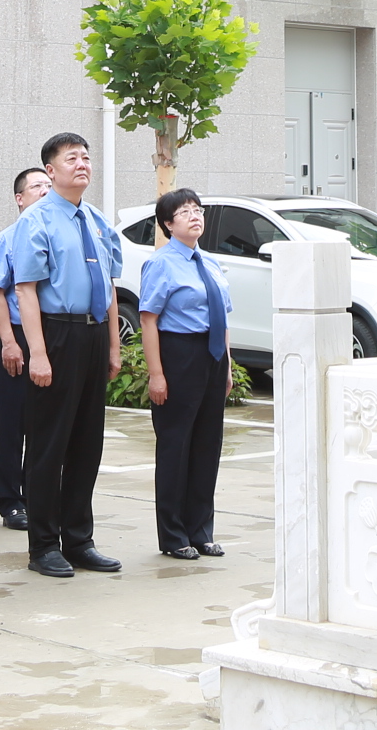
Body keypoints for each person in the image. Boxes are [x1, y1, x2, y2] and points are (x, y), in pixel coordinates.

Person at [3, 131, 123, 579]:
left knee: (87, 443)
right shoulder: (37, 220)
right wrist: (37, 351)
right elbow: (25, 289)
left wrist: (112, 346)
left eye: (87, 157)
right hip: (56, 334)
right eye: (72, 158)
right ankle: (43, 545)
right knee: (49, 445)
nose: (83, 164)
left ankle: (79, 539)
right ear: (50, 171)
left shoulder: (94, 219)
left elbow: (109, 286)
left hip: (92, 337)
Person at [137, 188, 231, 559]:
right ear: (167, 223)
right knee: (176, 446)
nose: (195, 216)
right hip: (179, 354)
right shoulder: (161, 263)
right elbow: (148, 320)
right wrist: (157, 374)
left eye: (198, 210)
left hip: (211, 356)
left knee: (208, 445)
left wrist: (226, 366)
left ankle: (201, 530)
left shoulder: (210, 262)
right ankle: (174, 536)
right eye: (185, 212)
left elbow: (223, 317)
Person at [0, 164, 52, 530]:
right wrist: (9, 343)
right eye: (36, 186)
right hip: (19, 336)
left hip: (52, 334)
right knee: (14, 425)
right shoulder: (8, 239)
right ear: (19, 198)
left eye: (47, 184)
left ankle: (40, 495)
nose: (44, 191)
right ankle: (11, 501)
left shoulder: (55, 233)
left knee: (46, 422)